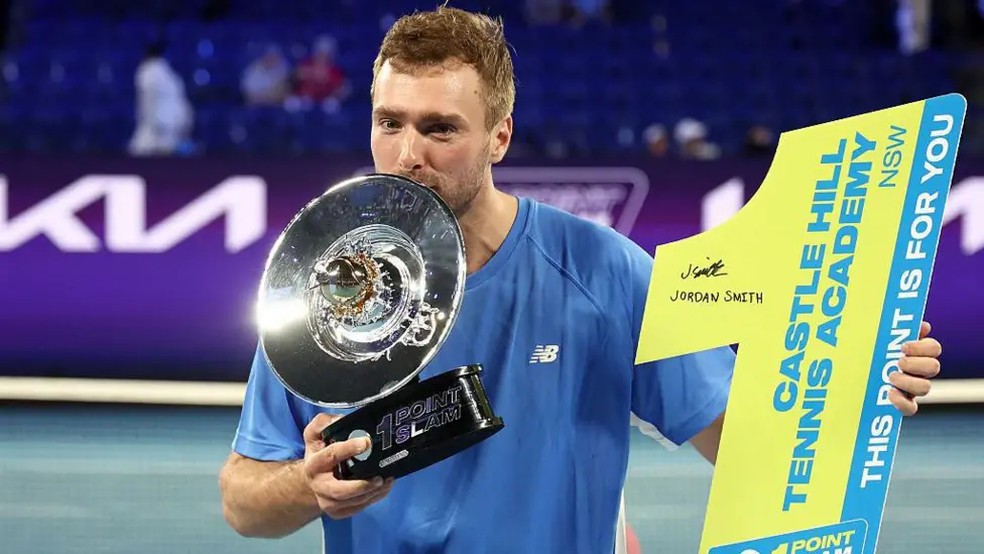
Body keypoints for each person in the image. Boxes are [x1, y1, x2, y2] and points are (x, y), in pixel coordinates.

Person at [218, 7, 945, 553]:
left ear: (499, 135)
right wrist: (306, 486)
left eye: (441, 129)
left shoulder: (605, 271)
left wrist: (863, 379)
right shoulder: (329, 285)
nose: (407, 154)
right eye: (389, 122)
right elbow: (245, 501)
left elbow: (747, 445)